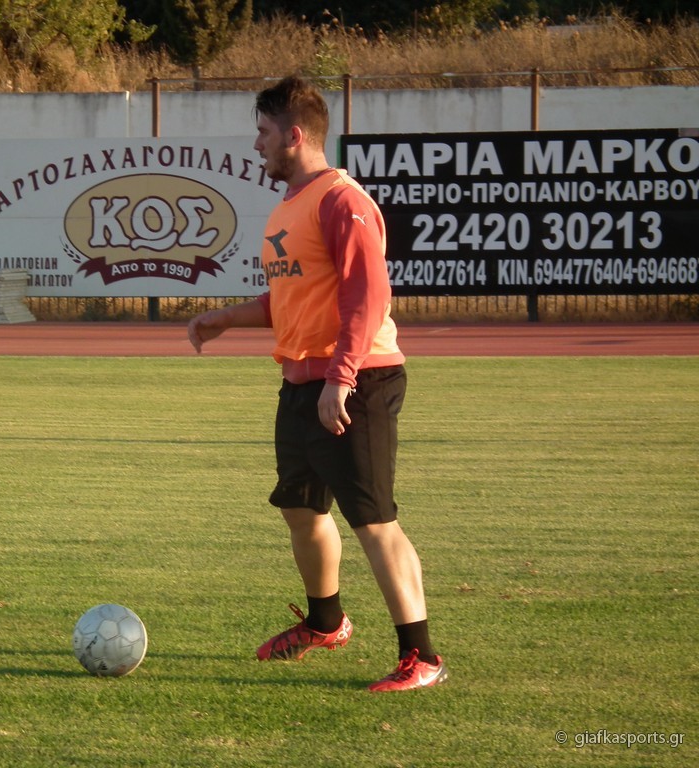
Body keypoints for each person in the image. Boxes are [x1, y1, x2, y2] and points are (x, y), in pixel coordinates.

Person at [187, 75, 447, 692]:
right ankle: (326, 623)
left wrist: (341, 376)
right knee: (300, 510)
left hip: (357, 381)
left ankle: (423, 657)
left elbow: (368, 296)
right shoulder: (290, 205)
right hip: (303, 381)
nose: (256, 144)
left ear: (294, 136)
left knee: (374, 521)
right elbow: (288, 300)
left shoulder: (341, 200)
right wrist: (224, 318)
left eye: (263, 132)